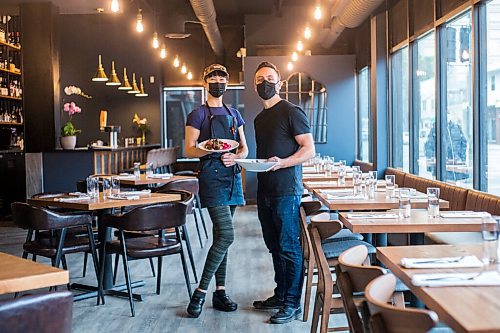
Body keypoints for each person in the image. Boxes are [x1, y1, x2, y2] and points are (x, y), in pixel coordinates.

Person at [252, 61, 315, 324]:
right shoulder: (258, 119)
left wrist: (283, 162)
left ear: (279, 83)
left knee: (289, 247)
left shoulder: (291, 111)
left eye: (269, 78)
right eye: (259, 79)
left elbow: (309, 149)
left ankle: (292, 303)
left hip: (287, 190)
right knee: (274, 246)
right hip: (264, 190)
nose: (264, 82)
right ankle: (280, 295)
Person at [184, 64, 248, 318]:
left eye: (222, 77)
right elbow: (189, 149)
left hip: (232, 178)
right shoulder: (197, 114)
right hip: (211, 177)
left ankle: (220, 292)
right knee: (226, 236)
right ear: (205, 82)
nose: (218, 81)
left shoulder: (234, 114)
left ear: (227, 83)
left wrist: (236, 157)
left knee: (221, 236)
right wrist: (209, 148)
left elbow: (244, 148)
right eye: (213, 78)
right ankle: (200, 292)